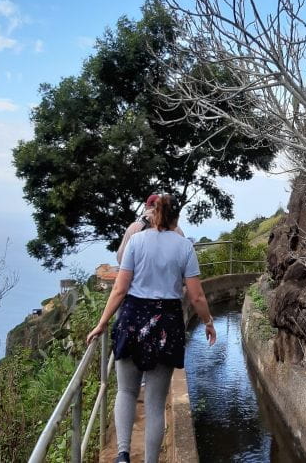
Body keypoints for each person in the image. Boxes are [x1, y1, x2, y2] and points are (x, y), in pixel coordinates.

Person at [86, 194, 216, 463]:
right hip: (166, 322)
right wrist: (207, 322)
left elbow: (120, 288)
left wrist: (101, 323)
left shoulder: (136, 240)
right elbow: (197, 297)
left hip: (133, 318)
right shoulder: (184, 247)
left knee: (126, 391)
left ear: (152, 213)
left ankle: (123, 454)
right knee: (156, 403)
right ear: (176, 218)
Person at [116, 194, 184, 264]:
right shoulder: (176, 229)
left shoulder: (133, 228)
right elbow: (184, 257)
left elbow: (121, 258)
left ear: (146, 206)